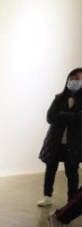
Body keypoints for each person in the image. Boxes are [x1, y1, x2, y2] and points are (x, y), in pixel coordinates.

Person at [36, 68, 82, 207]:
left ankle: (71, 201)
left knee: (72, 173)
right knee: (50, 170)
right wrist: (71, 117)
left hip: (73, 143)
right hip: (55, 142)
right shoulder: (59, 98)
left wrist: (62, 115)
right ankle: (47, 196)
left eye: (78, 79)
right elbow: (50, 117)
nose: (74, 81)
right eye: (71, 78)